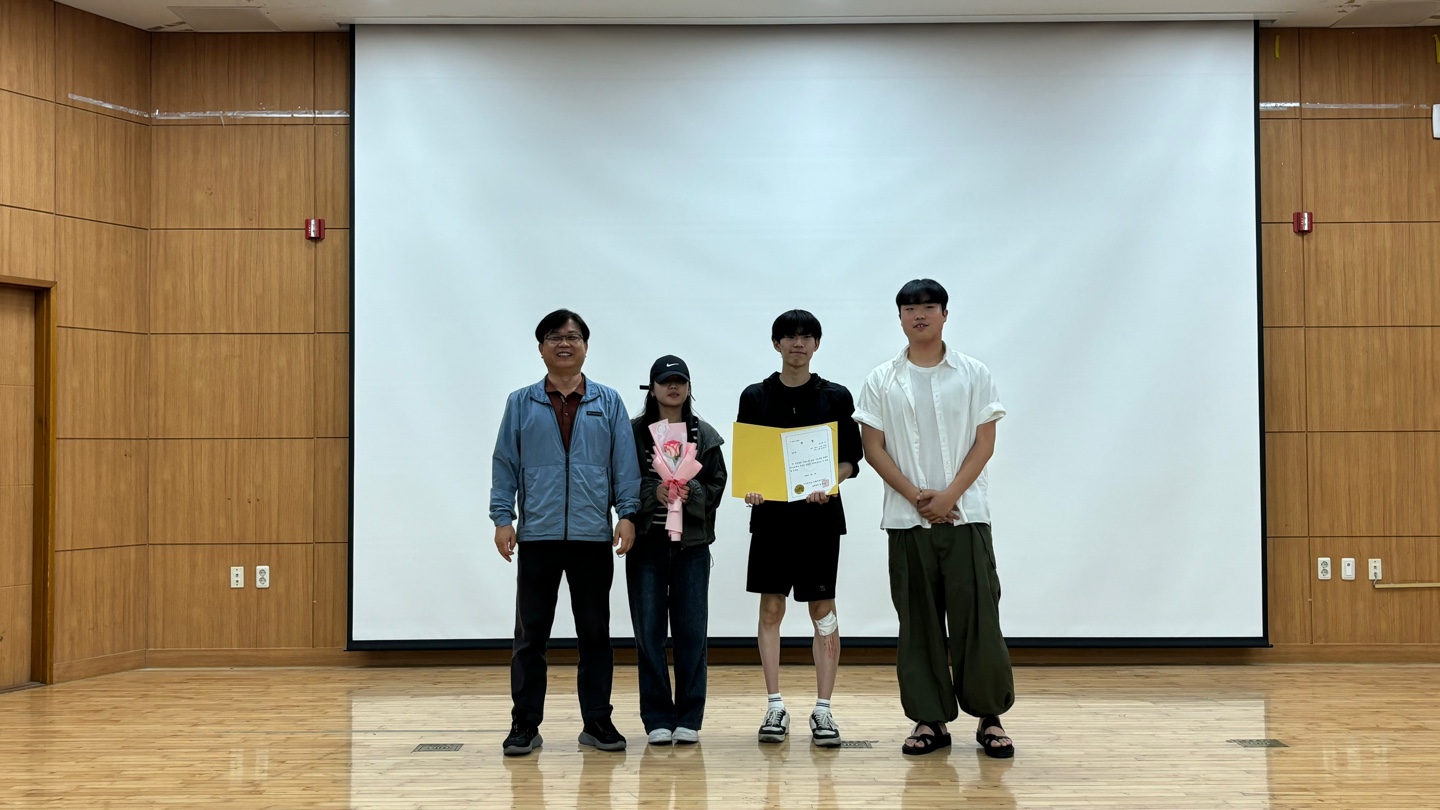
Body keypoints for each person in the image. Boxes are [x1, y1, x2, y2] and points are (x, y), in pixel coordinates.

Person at [852, 279, 1016, 758]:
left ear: (945, 313)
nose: (919, 315)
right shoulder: (881, 379)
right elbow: (872, 447)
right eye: (909, 308)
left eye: (928, 306)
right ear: (900, 317)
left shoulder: (973, 372)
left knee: (978, 619)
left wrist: (949, 497)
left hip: (967, 517)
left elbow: (985, 442)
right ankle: (929, 719)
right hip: (907, 522)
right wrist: (917, 498)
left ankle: (989, 717)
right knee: (917, 622)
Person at [490, 308, 642, 756]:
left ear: (586, 347)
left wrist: (627, 513)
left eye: (573, 337)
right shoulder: (521, 402)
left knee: (595, 634)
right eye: (554, 337)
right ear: (541, 348)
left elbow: (624, 464)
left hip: (592, 537)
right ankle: (524, 723)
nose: (564, 343)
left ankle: (597, 721)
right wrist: (503, 518)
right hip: (537, 536)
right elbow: (505, 462)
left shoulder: (608, 402)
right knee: (530, 635)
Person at [737, 309, 863, 747]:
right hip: (771, 520)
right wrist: (752, 488)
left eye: (806, 336)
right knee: (771, 609)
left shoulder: (836, 397)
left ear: (817, 344)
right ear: (776, 344)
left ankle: (824, 710)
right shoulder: (755, 396)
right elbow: (749, 462)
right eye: (789, 336)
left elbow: (851, 460)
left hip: (819, 519)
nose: (798, 343)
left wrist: (830, 482)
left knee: (822, 610)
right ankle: (774, 705)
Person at [627, 355, 728, 746]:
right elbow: (619, 480)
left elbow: (716, 487)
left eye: (680, 381)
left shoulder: (706, 435)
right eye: (666, 381)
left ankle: (689, 717)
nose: (673, 387)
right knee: (648, 633)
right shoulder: (634, 434)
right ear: (652, 388)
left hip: (692, 548)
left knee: (692, 633)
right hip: (646, 546)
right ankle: (656, 717)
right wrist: (651, 492)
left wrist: (693, 491)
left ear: (689, 388)